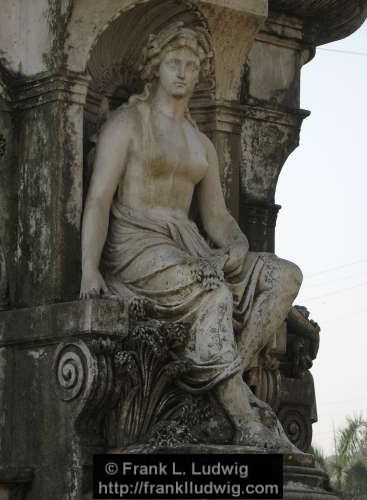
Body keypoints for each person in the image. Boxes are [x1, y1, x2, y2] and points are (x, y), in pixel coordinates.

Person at [80, 22, 302, 448]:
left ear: (200, 74)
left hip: (189, 248)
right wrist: (90, 270)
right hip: (136, 245)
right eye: (173, 63)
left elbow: (216, 216)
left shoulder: (200, 142)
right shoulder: (127, 124)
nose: (182, 72)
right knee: (214, 294)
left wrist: (236, 245)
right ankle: (244, 416)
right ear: (155, 68)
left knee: (284, 275)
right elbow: (98, 200)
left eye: (191, 65)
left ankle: (230, 378)